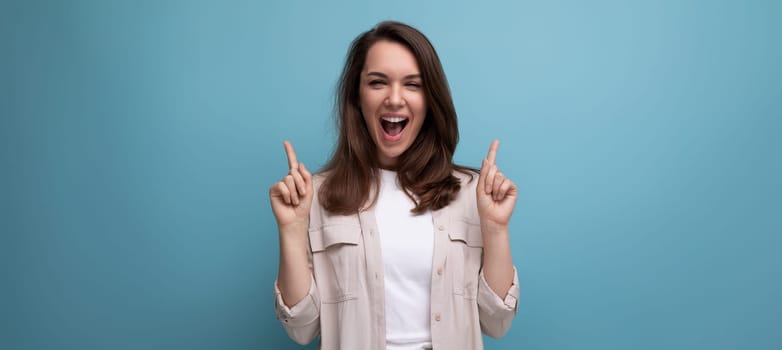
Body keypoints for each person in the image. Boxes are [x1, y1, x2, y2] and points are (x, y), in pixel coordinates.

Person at [271, 21, 520, 350]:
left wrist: (495, 228)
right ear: (357, 97)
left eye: (413, 85)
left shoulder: (472, 193)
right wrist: (291, 229)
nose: (395, 98)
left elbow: (497, 323)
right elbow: (301, 330)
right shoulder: (315, 196)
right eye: (377, 82)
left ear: (430, 100)